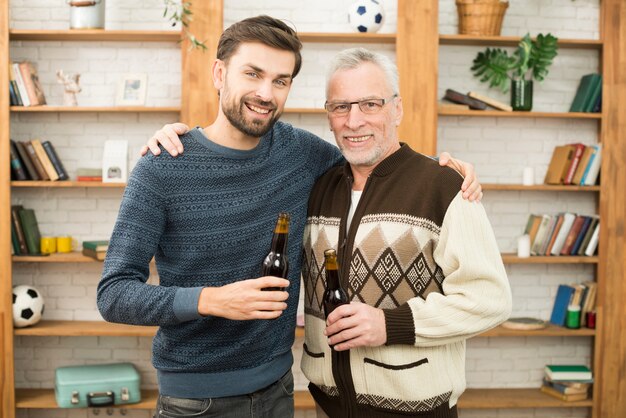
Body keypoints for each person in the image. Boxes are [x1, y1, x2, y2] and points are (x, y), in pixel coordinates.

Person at [98, 16, 482, 418]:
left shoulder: (303, 154)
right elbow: (114, 294)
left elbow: (373, 153)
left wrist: (441, 168)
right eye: (253, 74)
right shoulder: (162, 167)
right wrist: (212, 300)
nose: (266, 93)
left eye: (280, 81)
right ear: (219, 73)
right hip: (193, 401)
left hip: (279, 391)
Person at [299, 48, 512, 418]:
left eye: (370, 104)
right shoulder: (317, 188)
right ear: (328, 116)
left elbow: (490, 298)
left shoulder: (444, 187)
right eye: (340, 107)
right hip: (327, 408)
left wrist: (389, 324)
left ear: (396, 108)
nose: (353, 121)